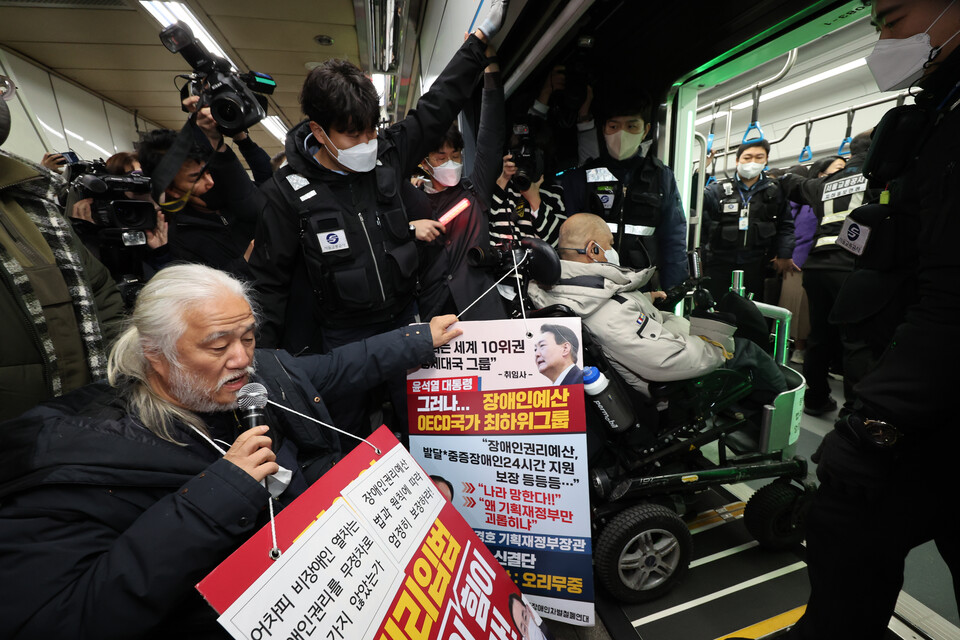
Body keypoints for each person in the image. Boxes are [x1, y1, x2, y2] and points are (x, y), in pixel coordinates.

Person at [0, 263, 461, 638]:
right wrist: (215, 498)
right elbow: (59, 619)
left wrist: (419, 338)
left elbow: (341, 365)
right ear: (156, 353)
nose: (242, 359)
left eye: (248, 337)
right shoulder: (78, 460)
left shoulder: (264, 377)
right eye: (218, 344)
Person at [782, 1, 960, 638]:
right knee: (844, 545)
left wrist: (871, 422)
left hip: (921, 400)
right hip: (916, 396)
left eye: (891, 17)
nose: (881, 38)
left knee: (846, 523)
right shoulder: (935, 117)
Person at [250, 20, 505, 355]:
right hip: (341, 339)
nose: (367, 143)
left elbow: (436, 107)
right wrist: (263, 365)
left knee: (409, 407)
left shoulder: (389, 154)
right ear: (319, 130)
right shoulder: (286, 194)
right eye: (353, 135)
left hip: (404, 321)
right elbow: (269, 287)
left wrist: (476, 45)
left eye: (371, 129)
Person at [528, 214, 785, 398]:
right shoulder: (606, 314)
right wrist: (716, 344)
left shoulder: (568, 288)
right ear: (594, 250)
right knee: (746, 348)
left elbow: (621, 310)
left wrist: (646, 299)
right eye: (610, 244)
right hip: (668, 383)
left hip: (661, 343)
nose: (613, 250)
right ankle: (779, 418)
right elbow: (666, 360)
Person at [0, 90, 125, 422]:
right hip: (16, 434)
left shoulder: (32, 200)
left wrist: (114, 371)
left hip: (79, 418)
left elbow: (99, 290)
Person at [779, 133, 879, 416]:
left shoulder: (826, 182)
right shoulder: (880, 177)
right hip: (853, 266)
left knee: (819, 337)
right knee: (856, 340)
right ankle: (854, 411)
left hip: (817, 266)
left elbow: (790, 182)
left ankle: (815, 399)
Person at [412, 44, 507, 321]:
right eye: (441, 157)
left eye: (455, 155)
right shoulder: (411, 202)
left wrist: (490, 70)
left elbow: (491, 136)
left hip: (481, 308)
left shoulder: (474, 189)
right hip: (434, 312)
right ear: (423, 161)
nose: (451, 162)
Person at [560, 88, 689, 291]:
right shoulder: (580, 177)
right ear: (604, 129)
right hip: (593, 286)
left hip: (644, 287)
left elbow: (673, 237)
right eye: (614, 126)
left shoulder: (661, 177)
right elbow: (566, 238)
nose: (622, 134)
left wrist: (673, 289)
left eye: (631, 126)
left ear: (645, 130)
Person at [137, 126, 254, 280]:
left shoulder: (237, 195)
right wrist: (246, 261)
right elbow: (209, 291)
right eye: (195, 177)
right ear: (171, 189)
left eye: (207, 171)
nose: (210, 181)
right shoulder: (179, 240)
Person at [700, 139, 797, 303]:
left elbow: (785, 226)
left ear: (766, 160)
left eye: (759, 157)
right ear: (737, 160)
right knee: (717, 310)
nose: (753, 162)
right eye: (747, 157)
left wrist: (784, 253)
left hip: (757, 264)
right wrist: (701, 169)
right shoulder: (718, 190)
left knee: (753, 314)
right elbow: (690, 199)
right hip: (719, 263)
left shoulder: (775, 191)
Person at [779, 156, 845, 365]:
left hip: (830, 262)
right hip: (801, 261)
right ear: (820, 174)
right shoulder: (807, 201)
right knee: (799, 309)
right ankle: (798, 348)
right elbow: (797, 231)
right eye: (838, 169)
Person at [488, 150, 567, 247]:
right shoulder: (502, 188)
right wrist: (504, 178)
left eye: (531, 159)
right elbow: (487, 225)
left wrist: (535, 200)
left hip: (539, 261)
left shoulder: (553, 193)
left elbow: (560, 244)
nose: (525, 165)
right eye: (520, 158)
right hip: (506, 260)